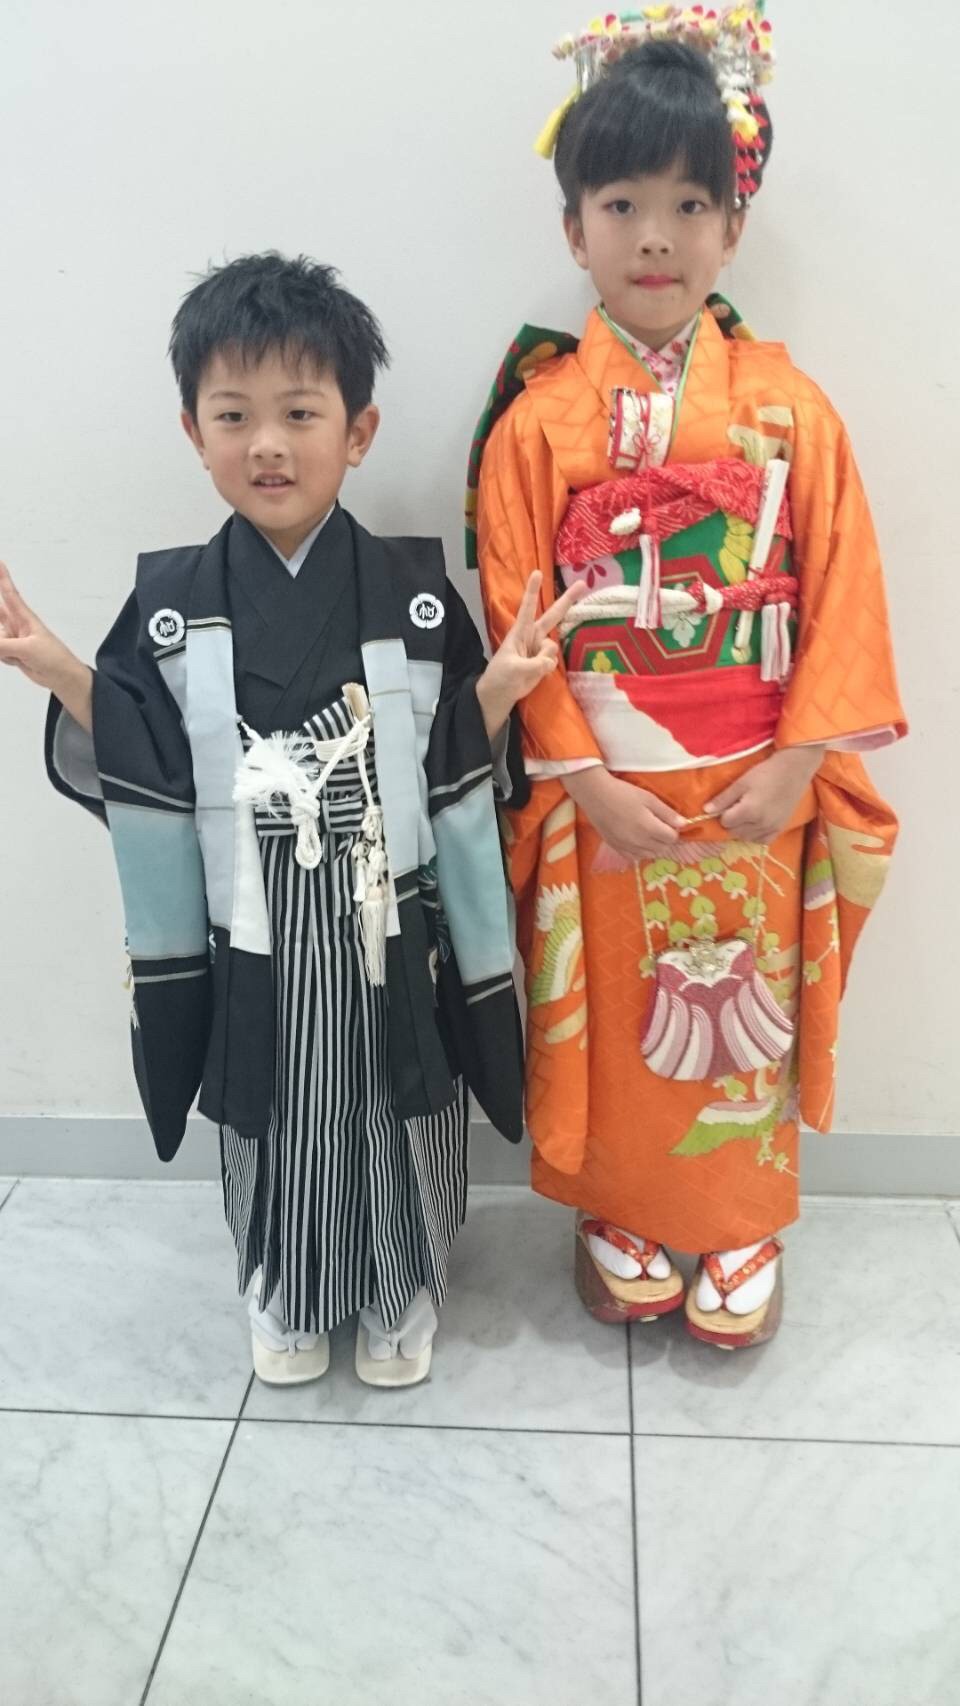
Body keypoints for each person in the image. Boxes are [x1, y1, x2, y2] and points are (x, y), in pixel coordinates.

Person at [0, 252, 581, 1386]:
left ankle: (403, 1288)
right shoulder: (171, 606)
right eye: (234, 415)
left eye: (300, 413)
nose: (267, 443)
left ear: (358, 432)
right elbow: (147, 760)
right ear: (194, 431)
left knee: (401, 1102)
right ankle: (285, 1288)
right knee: (270, 1111)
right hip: (252, 927)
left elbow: (451, 762)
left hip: (386, 919)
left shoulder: (415, 597)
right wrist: (60, 668)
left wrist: (498, 690)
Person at [469, 8, 905, 1348]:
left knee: (738, 1007)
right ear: (573, 228)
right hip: (608, 784)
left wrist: (799, 759)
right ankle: (621, 1210)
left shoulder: (789, 409)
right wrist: (584, 775)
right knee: (615, 998)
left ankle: (737, 1220)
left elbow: (842, 586)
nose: (653, 236)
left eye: (688, 205)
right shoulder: (539, 422)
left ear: (732, 225)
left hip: (755, 777)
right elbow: (517, 611)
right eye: (621, 204)